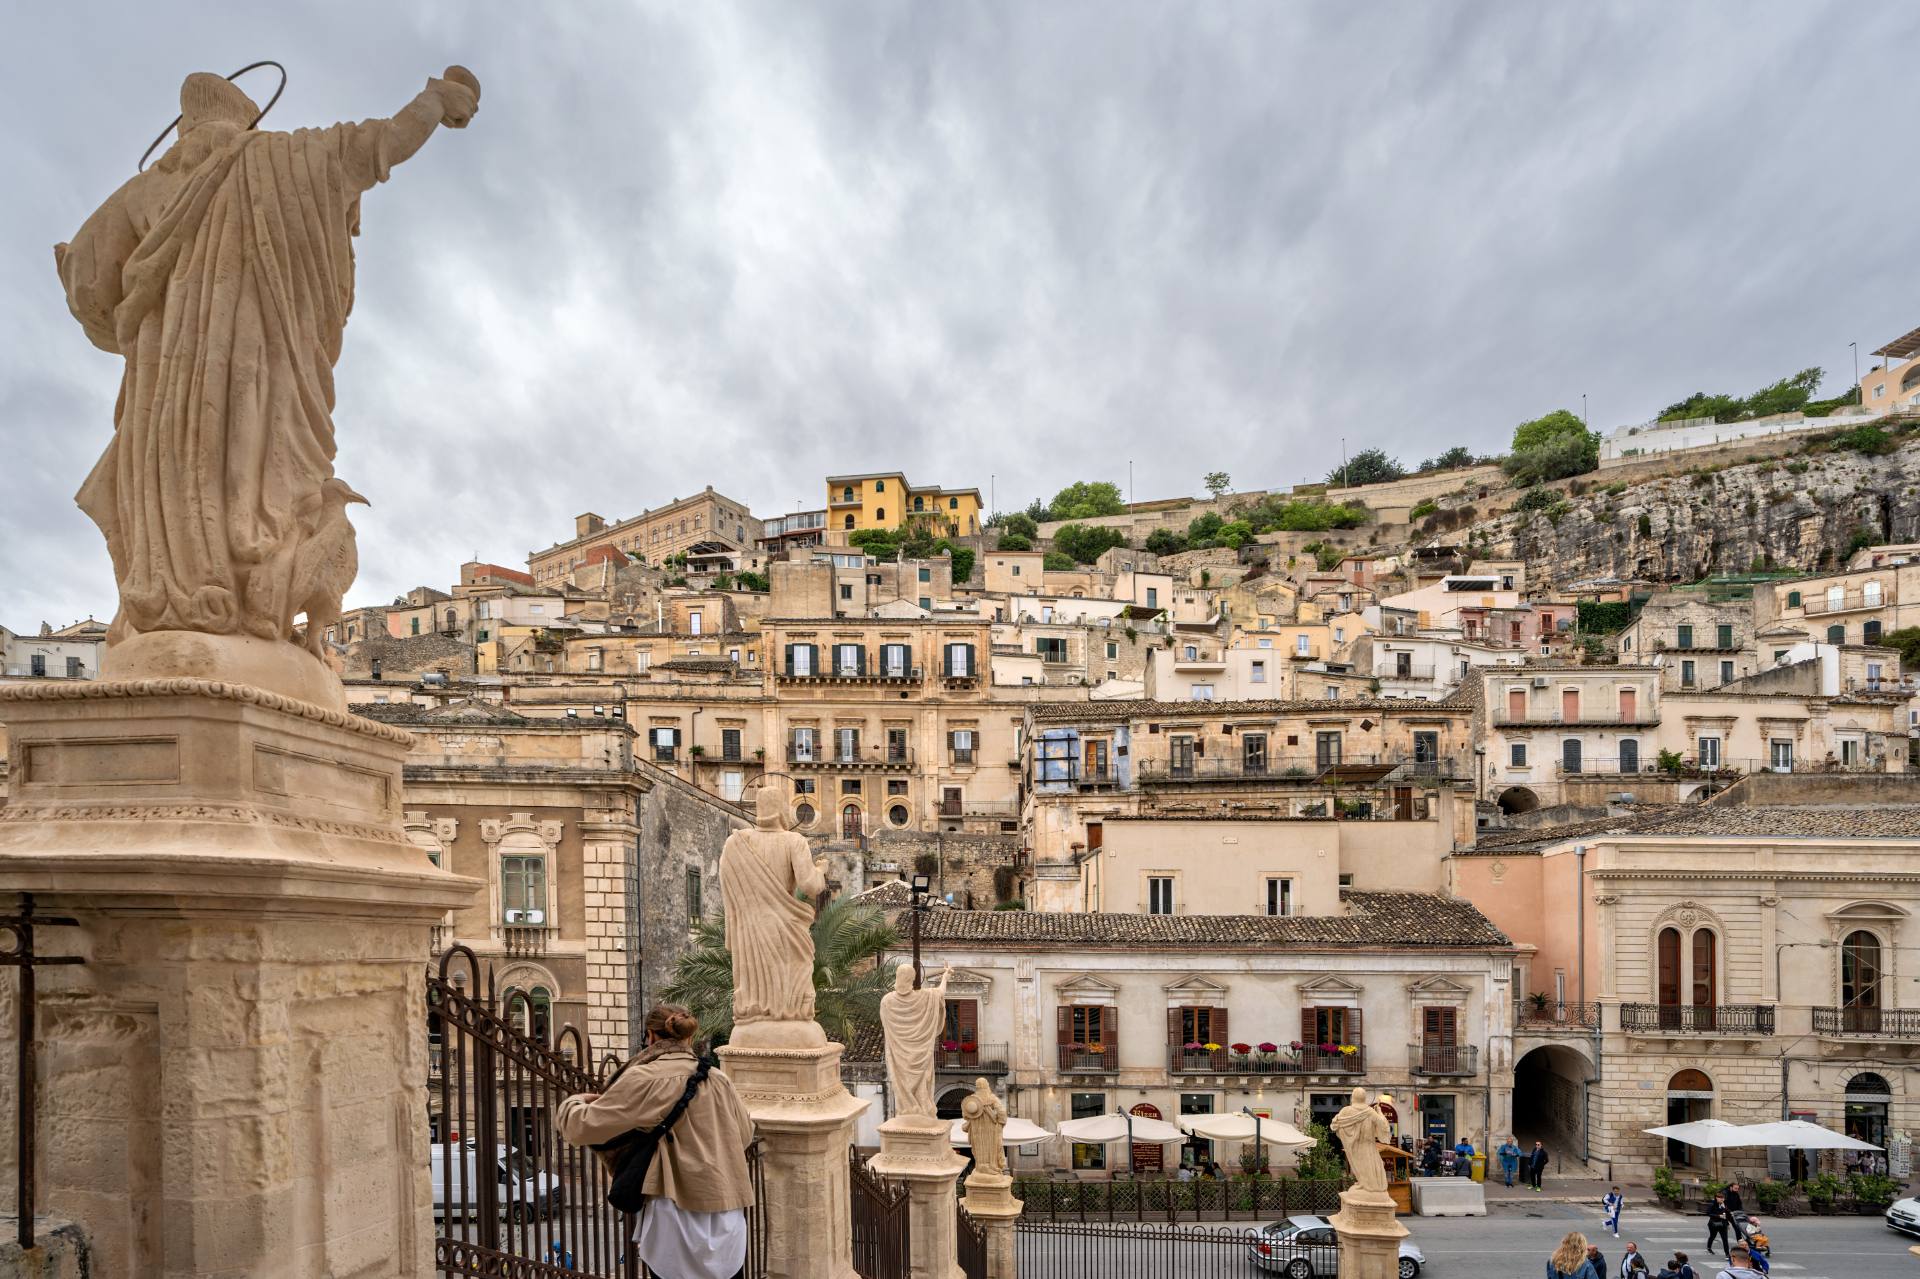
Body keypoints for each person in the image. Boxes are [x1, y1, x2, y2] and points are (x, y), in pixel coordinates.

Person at [557, 1004, 758, 1279]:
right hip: (726, 1215)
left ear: (650, 1037)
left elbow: (578, 1127)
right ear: (688, 1038)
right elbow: (744, 1135)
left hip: (674, 1216)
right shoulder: (718, 1079)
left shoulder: (644, 1079)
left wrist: (577, 1100)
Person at [1705, 1193, 1731, 1258]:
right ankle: (1709, 1247)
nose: (1722, 1199)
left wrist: (1727, 1224)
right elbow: (1708, 1213)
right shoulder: (1712, 1204)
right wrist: (1718, 1216)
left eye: (1723, 1198)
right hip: (1714, 1224)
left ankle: (1727, 1254)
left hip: (1723, 1224)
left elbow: (1726, 1215)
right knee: (1712, 1236)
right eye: (1720, 1198)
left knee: (1725, 1239)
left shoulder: (1724, 1205)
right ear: (1716, 1198)